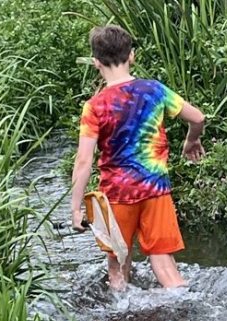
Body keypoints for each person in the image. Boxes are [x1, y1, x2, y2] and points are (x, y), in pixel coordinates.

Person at [69, 24, 207, 292]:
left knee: (118, 266)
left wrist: (76, 209)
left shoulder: (95, 107)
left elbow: (83, 161)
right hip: (156, 191)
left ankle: (124, 318)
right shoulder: (154, 90)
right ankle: (185, 308)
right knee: (165, 265)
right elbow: (198, 117)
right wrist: (192, 140)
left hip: (116, 195)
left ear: (96, 62)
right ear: (131, 56)